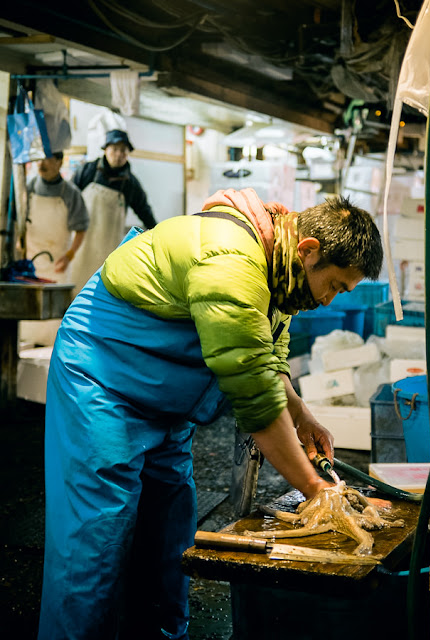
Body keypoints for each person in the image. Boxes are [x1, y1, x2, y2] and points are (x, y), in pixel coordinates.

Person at [38, 187, 383, 640]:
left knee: (168, 531)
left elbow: (269, 357)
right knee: (96, 537)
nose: (330, 301)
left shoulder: (283, 271)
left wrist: (302, 414)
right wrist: (317, 490)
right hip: (105, 378)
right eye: (336, 286)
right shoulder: (232, 262)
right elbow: (254, 394)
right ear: (310, 250)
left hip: (168, 397)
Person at [70, 128, 157, 294]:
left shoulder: (131, 183)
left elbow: (145, 212)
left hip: (107, 251)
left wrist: (158, 234)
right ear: (105, 149)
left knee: (99, 294)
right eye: (115, 149)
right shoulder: (87, 170)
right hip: (80, 247)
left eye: (123, 151)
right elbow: (70, 200)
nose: (118, 155)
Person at [20, 151, 89, 346]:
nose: (42, 164)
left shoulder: (71, 194)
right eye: (40, 159)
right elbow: (19, 222)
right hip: (29, 265)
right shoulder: (30, 187)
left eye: (48, 159)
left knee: (51, 327)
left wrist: (69, 255)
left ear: (59, 163)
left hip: (57, 266)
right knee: (28, 326)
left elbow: (81, 229)